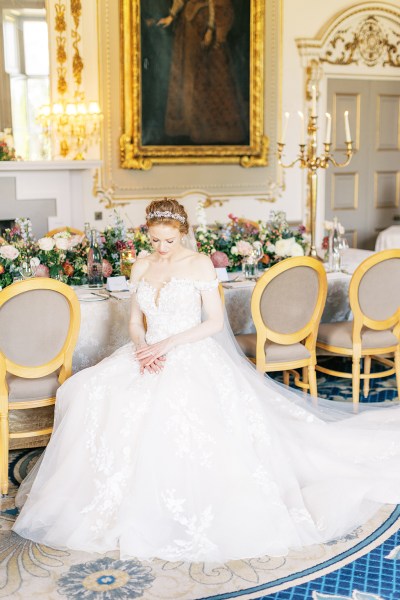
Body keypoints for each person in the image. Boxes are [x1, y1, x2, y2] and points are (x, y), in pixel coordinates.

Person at [13, 198, 400, 563]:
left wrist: (167, 343)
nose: (161, 248)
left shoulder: (198, 264)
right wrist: (143, 346)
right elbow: (134, 321)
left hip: (189, 350)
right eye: (154, 240)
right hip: (147, 352)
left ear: (181, 233)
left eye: (168, 240)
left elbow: (214, 323)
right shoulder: (141, 266)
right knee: (90, 391)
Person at [157, 0, 248, 144]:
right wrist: (172, 16)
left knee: (207, 76)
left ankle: (207, 130)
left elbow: (212, 2)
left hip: (204, 23)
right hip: (187, 27)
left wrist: (210, 28)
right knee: (186, 75)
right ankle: (187, 126)